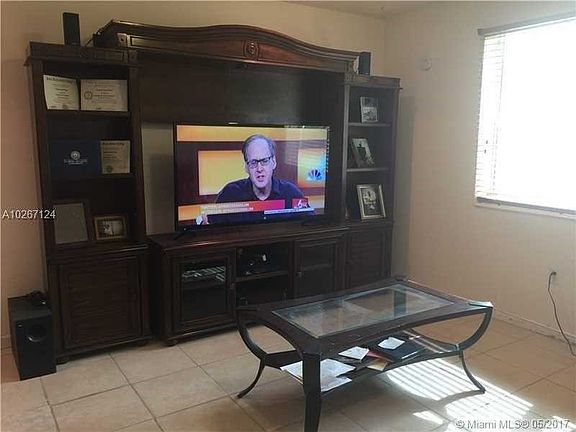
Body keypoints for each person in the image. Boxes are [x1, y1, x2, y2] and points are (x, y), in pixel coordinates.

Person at [209, 135, 306, 223]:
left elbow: (309, 226)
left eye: (264, 161)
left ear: (273, 162)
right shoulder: (230, 194)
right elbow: (210, 228)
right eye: (253, 162)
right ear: (246, 167)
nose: (259, 169)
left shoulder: (292, 193)